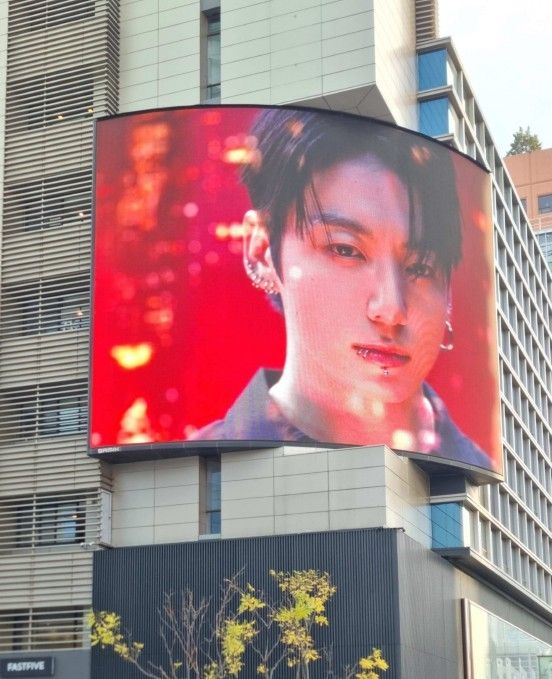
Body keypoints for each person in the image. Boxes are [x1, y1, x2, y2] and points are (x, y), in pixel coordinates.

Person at [193, 108, 490, 468]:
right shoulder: (199, 466)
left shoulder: (480, 475)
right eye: (345, 250)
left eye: (420, 267)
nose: (391, 309)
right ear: (262, 250)